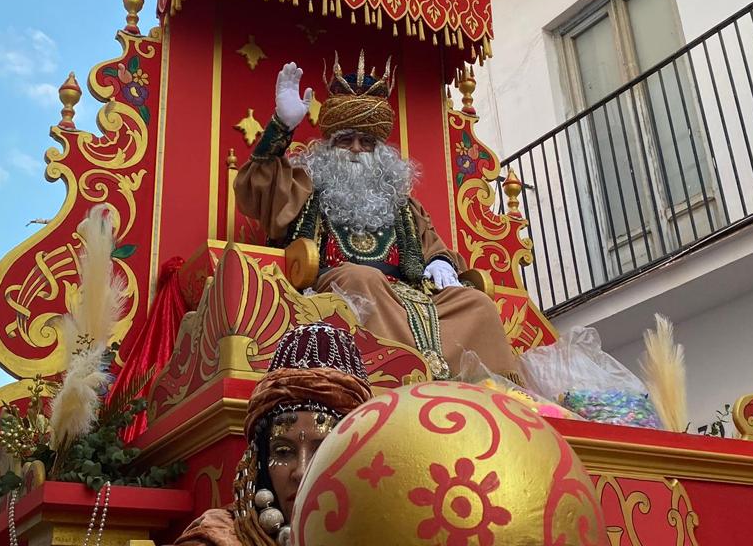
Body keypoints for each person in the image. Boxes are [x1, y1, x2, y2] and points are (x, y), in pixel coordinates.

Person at [234, 52, 519, 381]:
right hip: (336, 288)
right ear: (329, 145)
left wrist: (440, 261)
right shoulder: (304, 187)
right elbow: (256, 186)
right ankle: (393, 379)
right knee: (362, 279)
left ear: (380, 151)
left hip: (406, 296)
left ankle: (491, 393)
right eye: (345, 140)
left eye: (366, 142)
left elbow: (433, 247)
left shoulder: (401, 204)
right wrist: (281, 127)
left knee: (476, 304)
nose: (356, 149)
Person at [174, 322, 373, 546]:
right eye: (283, 452)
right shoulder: (217, 538)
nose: (301, 471)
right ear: (258, 461)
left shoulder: (392, 531)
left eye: (324, 452)